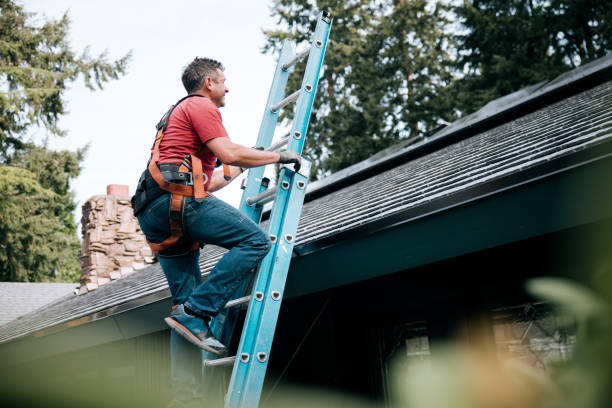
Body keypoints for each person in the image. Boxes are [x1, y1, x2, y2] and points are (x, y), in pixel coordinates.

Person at [131, 57, 301, 406]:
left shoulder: (174, 119)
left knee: (182, 308)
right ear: (209, 82)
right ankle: (199, 312)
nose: (227, 88)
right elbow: (227, 151)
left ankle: (186, 398)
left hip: (157, 210)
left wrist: (241, 167)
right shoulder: (201, 106)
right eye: (224, 81)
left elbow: (211, 179)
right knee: (254, 240)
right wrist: (278, 157)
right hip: (176, 202)